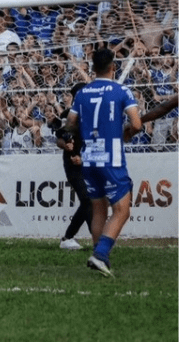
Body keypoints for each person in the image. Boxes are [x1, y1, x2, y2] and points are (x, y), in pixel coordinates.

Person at [65, 48, 142, 277]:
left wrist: (72, 134)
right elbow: (137, 124)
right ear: (113, 67)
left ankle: (99, 257)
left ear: (92, 67)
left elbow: (70, 123)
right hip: (111, 158)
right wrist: (127, 131)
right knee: (122, 210)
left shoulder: (82, 93)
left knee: (98, 208)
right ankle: (101, 255)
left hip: (89, 158)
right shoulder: (122, 91)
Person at [55, 82, 91, 250]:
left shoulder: (94, 115)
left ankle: (70, 238)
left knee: (89, 202)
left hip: (90, 163)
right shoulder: (68, 115)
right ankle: (69, 237)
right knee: (87, 200)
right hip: (73, 165)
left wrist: (85, 158)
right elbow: (60, 139)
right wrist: (66, 146)